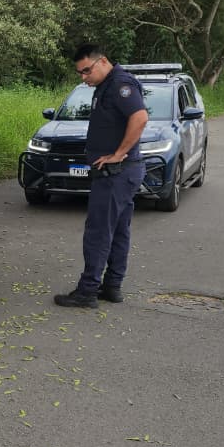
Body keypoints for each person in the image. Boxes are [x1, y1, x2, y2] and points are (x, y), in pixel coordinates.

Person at [54, 44, 148, 309]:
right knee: (118, 231)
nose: (83, 78)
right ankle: (112, 286)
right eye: (80, 73)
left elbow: (140, 118)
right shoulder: (105, 86)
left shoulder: (120, 84)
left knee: (98, 232)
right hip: (121, 173)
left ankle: (88, 291)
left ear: (103, 61)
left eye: (86, 71)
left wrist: (119, 154)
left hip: (116, 173)